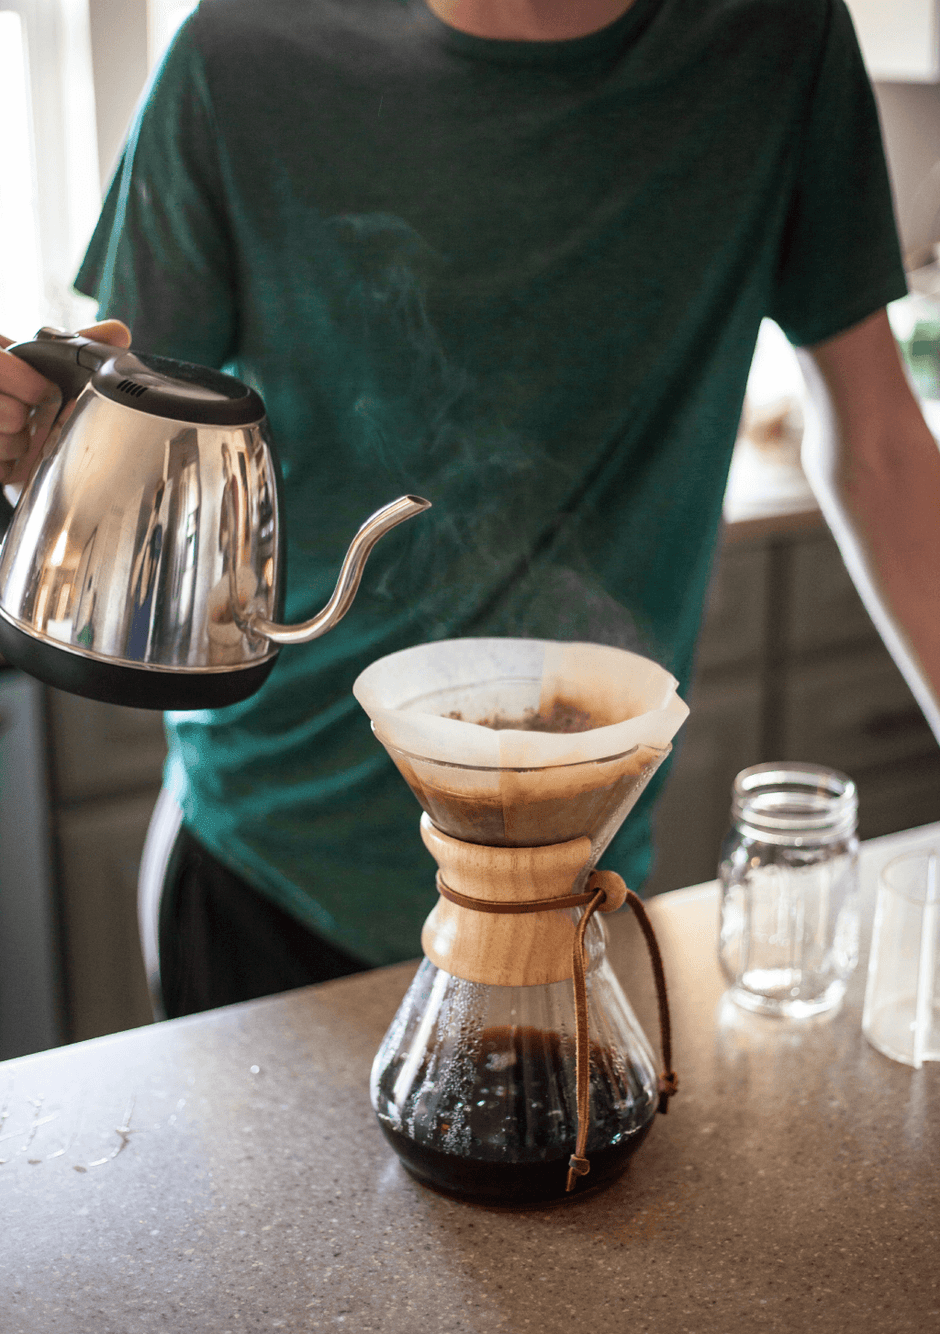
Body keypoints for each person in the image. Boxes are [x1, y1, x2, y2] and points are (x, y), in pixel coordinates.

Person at [1, 0, 938, 1018]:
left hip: (580, 857)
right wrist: (42, 450)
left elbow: (879, 444)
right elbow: (124, 420)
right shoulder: (240, 52)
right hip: (279, 862)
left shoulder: (776, 40)